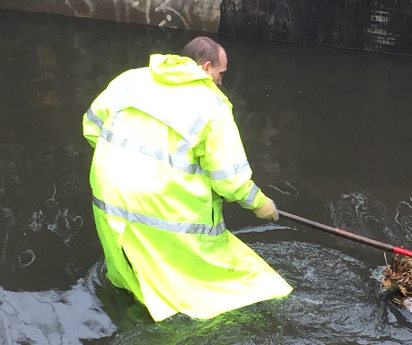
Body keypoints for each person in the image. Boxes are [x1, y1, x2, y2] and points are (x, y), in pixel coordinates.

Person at [81, 36, 292, 321]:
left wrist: (126, 163)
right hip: (158, 201)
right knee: (219, 276)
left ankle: (131, 301)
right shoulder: (211, 104)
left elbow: (92, 126)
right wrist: (260, 204)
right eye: (221, 74)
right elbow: (229, 179)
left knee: (128, 262)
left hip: (108, 190)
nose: (221, 81)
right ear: (206, 67)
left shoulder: (131, 79)